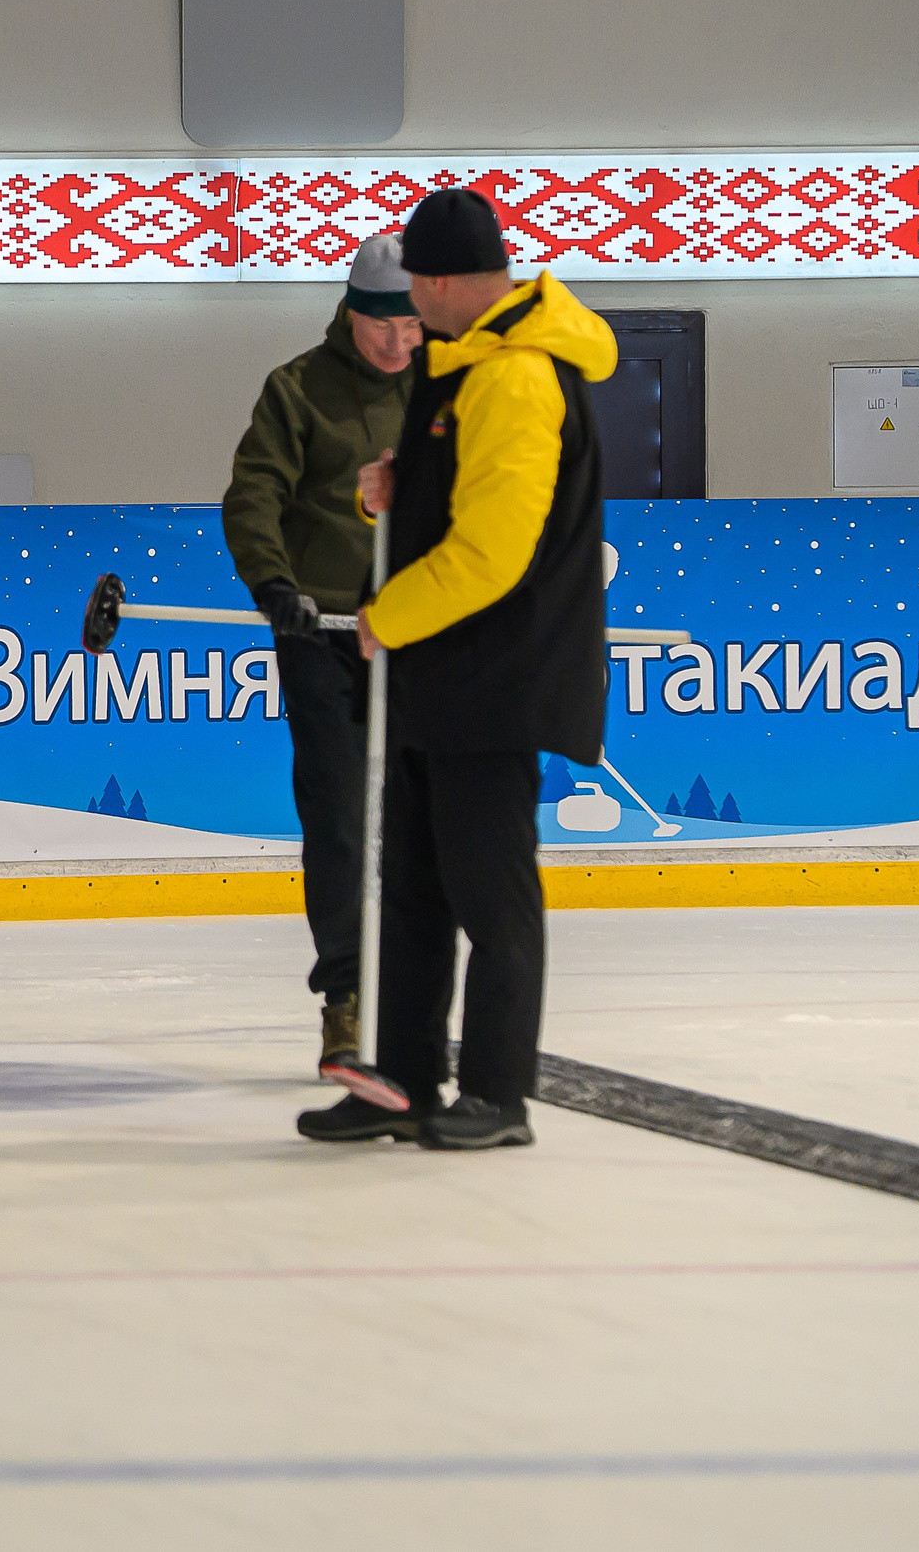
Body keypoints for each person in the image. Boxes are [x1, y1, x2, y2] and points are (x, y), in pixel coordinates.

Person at [298, 189, 615, 1151]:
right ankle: (401, 1080)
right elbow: (446, 506)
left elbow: (494, 550)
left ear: (438, 284)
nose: (402, 319)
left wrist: (385, 618)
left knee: (489, 890)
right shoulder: (462, 361)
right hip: (446, 681)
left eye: (408, 297)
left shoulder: (517, 376)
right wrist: (388, 493)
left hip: (499, 681)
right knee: (415, 892)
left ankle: (497, 1093)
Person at [222, 233, 419, 1072]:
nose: (398, 342)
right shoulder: (298, 389)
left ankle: (412, 991)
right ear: (352, 311)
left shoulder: (445, 388)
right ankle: (346, 994)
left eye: (412, 326)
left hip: (417, 635)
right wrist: (275, 585)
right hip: (324, 635)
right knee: (337, 817)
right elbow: (254, 494)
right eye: (383, 325)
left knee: (422, 819)